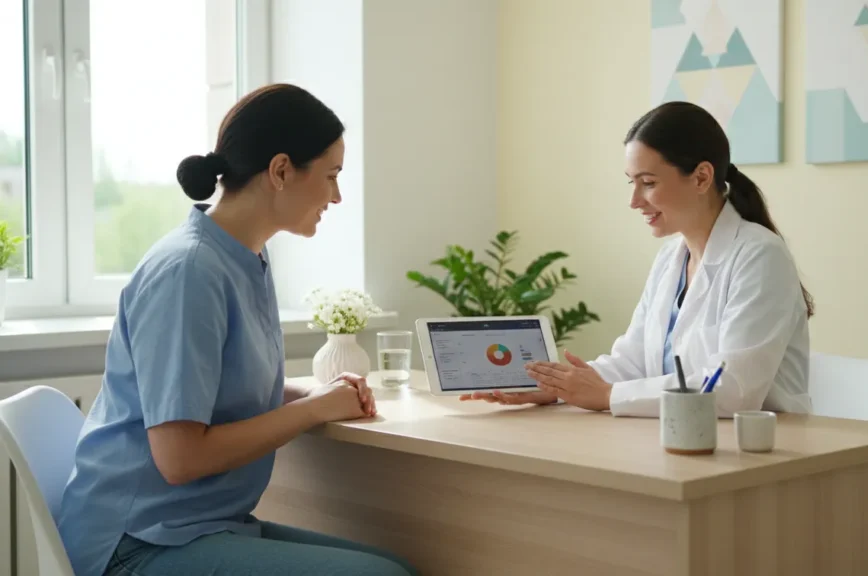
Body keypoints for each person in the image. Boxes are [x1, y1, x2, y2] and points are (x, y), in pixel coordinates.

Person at [56, 84, 417, 576]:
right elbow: (179, 458)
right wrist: (313, 408)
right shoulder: (190, 271)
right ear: (281, 171)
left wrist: (317, 392)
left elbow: (223, 391)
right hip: (135, 543)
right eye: (331, 175)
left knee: (396, 565)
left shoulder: (243, 256)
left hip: (195, 525)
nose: (336, 195)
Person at [463, 101, 813, 418]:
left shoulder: (760, 256)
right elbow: (632, 362)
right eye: (631, 182)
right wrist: (555, 389)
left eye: (647, 183)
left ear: (702, 177)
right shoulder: (669, 261)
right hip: (680, 435)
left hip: (760, 453)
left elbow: (733, 389)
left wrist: (607, 395)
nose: (634, 200)